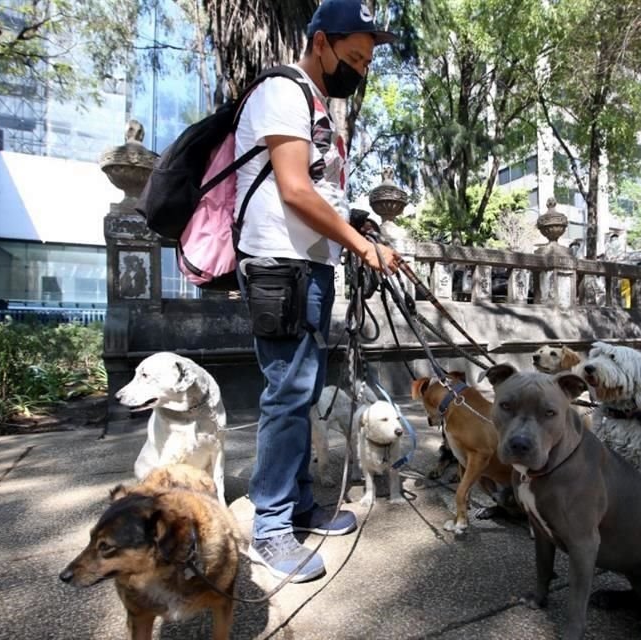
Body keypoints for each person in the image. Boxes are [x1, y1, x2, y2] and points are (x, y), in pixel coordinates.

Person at [234, 0, 399, 583]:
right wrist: (361, 246)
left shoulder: (316, 104)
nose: (360, 69)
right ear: (321, 42)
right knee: (286, 394)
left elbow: (320, 192)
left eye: (367, 62)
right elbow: (294, 190)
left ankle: (300, 505)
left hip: (309, 267)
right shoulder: (283, 91)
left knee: (301, 391)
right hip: (279, 266)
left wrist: (355, 222)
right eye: (354, 57)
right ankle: (271, 526)